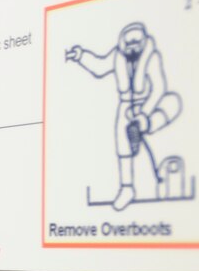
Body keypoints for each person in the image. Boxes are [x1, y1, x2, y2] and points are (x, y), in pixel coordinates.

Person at [66, 21, 183, 211]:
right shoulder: (117, 56)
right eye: (128, 44)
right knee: (122, 143)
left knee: (173, 102)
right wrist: (81, 56)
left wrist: (144, 113)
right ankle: (127, 188)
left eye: (136, 43)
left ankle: (145, 125)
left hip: (147, 103)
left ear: (143, 42)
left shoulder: (152, 57)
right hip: (126, 105)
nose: (132, 48)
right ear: (122, 43)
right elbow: (100, 67)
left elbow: (159, 88)